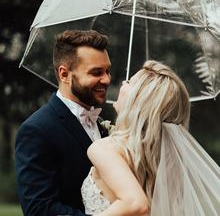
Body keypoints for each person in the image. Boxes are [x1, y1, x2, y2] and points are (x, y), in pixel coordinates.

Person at [81, 60, 220, 215]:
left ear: (138, 100)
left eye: (129, 82)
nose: (122, 82)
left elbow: (137, 204)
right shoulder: (170, 160)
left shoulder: (104, 149)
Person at [15, 30, 111, 216]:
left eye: (107, 70)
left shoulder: (103, 126)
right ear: (65, 74)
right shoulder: (37, 130)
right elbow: (39, 209)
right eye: (96, 72)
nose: (106, 79)